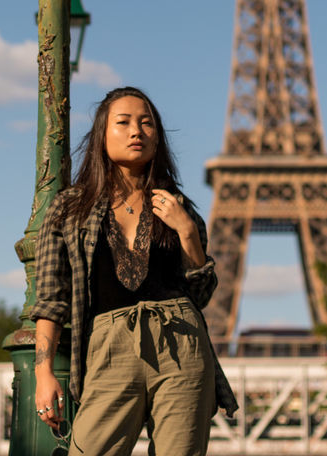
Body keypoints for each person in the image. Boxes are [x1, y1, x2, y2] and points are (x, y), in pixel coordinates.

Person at [31, 86, 237, 456]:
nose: (136, 131)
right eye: (123, 122)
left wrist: (187, 232)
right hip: (109, 346)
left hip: (182, 343)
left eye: (146, 123)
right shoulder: (69, 209)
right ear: (102, 135)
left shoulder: (178, 209)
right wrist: (42, 373)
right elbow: (51, 298)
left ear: (158, 137)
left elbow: (201, 296)